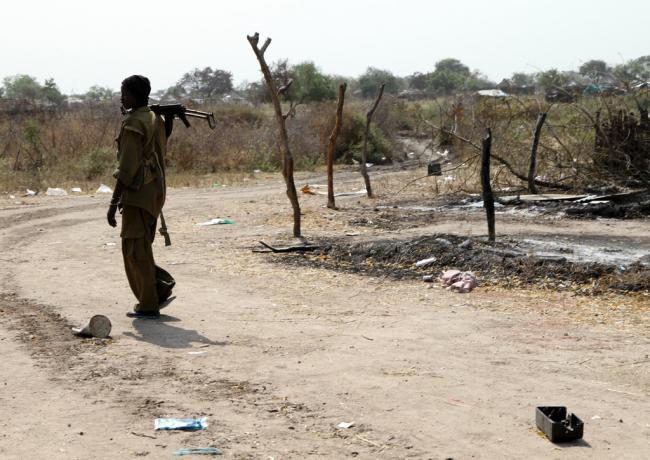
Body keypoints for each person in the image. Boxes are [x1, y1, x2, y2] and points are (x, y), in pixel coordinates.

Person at [107, 75, 175, 319]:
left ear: (135, 96)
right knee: (141, 247)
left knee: (135, 250)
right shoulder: (154, 118)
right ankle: (157, 290)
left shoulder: (135, 123)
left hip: (138, 196)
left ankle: (148, 303)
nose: (122, 98)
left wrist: (113, 203)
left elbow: (127, 169)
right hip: (154, 192)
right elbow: (162, 141)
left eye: (125, 93)